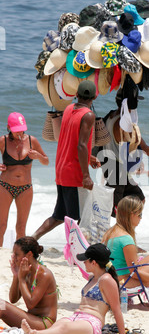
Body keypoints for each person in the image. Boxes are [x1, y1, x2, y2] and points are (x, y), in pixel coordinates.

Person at [21, 243, 129, 334]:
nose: (84, 263)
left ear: (94, 263)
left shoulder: (106, 280)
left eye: (86, 260)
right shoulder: (92, 278)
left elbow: (116, 309)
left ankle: (34, 333)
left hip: (92, 324)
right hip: (76, 318)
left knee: (63, 327)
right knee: (60, 324)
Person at [32, 81, 101, 240]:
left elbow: (70, 141)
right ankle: (79, 252)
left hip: (61, 169)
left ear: (76, 95)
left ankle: (30, 239)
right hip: (74, 175)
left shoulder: (69, 108)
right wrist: (85, 175)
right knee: (83, 218)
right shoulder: (88, 115)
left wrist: (88, 157)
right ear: (95, 96)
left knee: (59, 216)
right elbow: (81, 145)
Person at [93, 88, 149, 217]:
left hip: (111, 169)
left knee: (138, 200)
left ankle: (122, 231)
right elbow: (145, 148)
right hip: (117, 172)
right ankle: (114, 232)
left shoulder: (110, 116)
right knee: (117, 211)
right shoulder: (125, 126)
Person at [0, 112, 49, 246]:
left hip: (25, 188)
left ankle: (18, 256)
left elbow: (46, 161)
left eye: (21, 129)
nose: (19, 133)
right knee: (1, 225)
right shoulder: (3, 140)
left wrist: (38, 156)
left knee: (21, 227)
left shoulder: (31, 140)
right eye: (16, 131)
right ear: (9, 127)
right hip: (5, 186)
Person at [0, 236, 57, 329]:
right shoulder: (26, 271)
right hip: (32, 319)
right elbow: (13, 299)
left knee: (1, 306)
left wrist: (22, 279)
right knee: (2, 305)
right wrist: (16, 276)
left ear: (29, 254)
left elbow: (30, 305)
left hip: (44, 323)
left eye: (16, 254)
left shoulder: (44, 274)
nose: (14, 257)